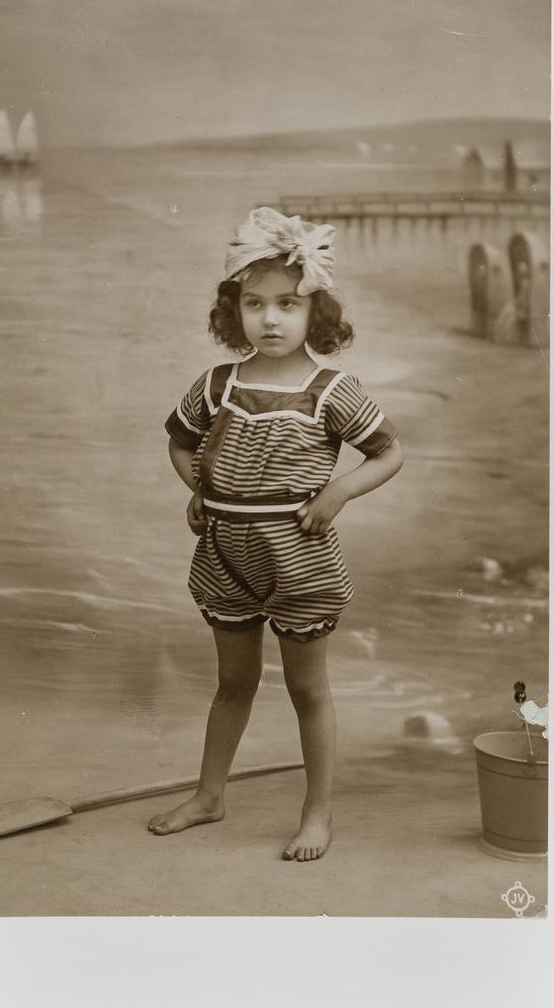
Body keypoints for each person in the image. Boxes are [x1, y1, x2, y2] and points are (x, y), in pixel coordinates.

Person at [148, 207, 404, 862]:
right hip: (227, 558)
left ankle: (316, 813)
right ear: (231, 310)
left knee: (307, 689)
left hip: (301, 564)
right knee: (232, 684)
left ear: (315, 310)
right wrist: (199, 489)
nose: (269, 319)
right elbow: (180, 445)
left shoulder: (331, 391)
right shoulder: (216, 386)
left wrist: (340, 489)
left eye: (287, 304)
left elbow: (388, 452)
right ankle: (210, 795)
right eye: (253, 303)